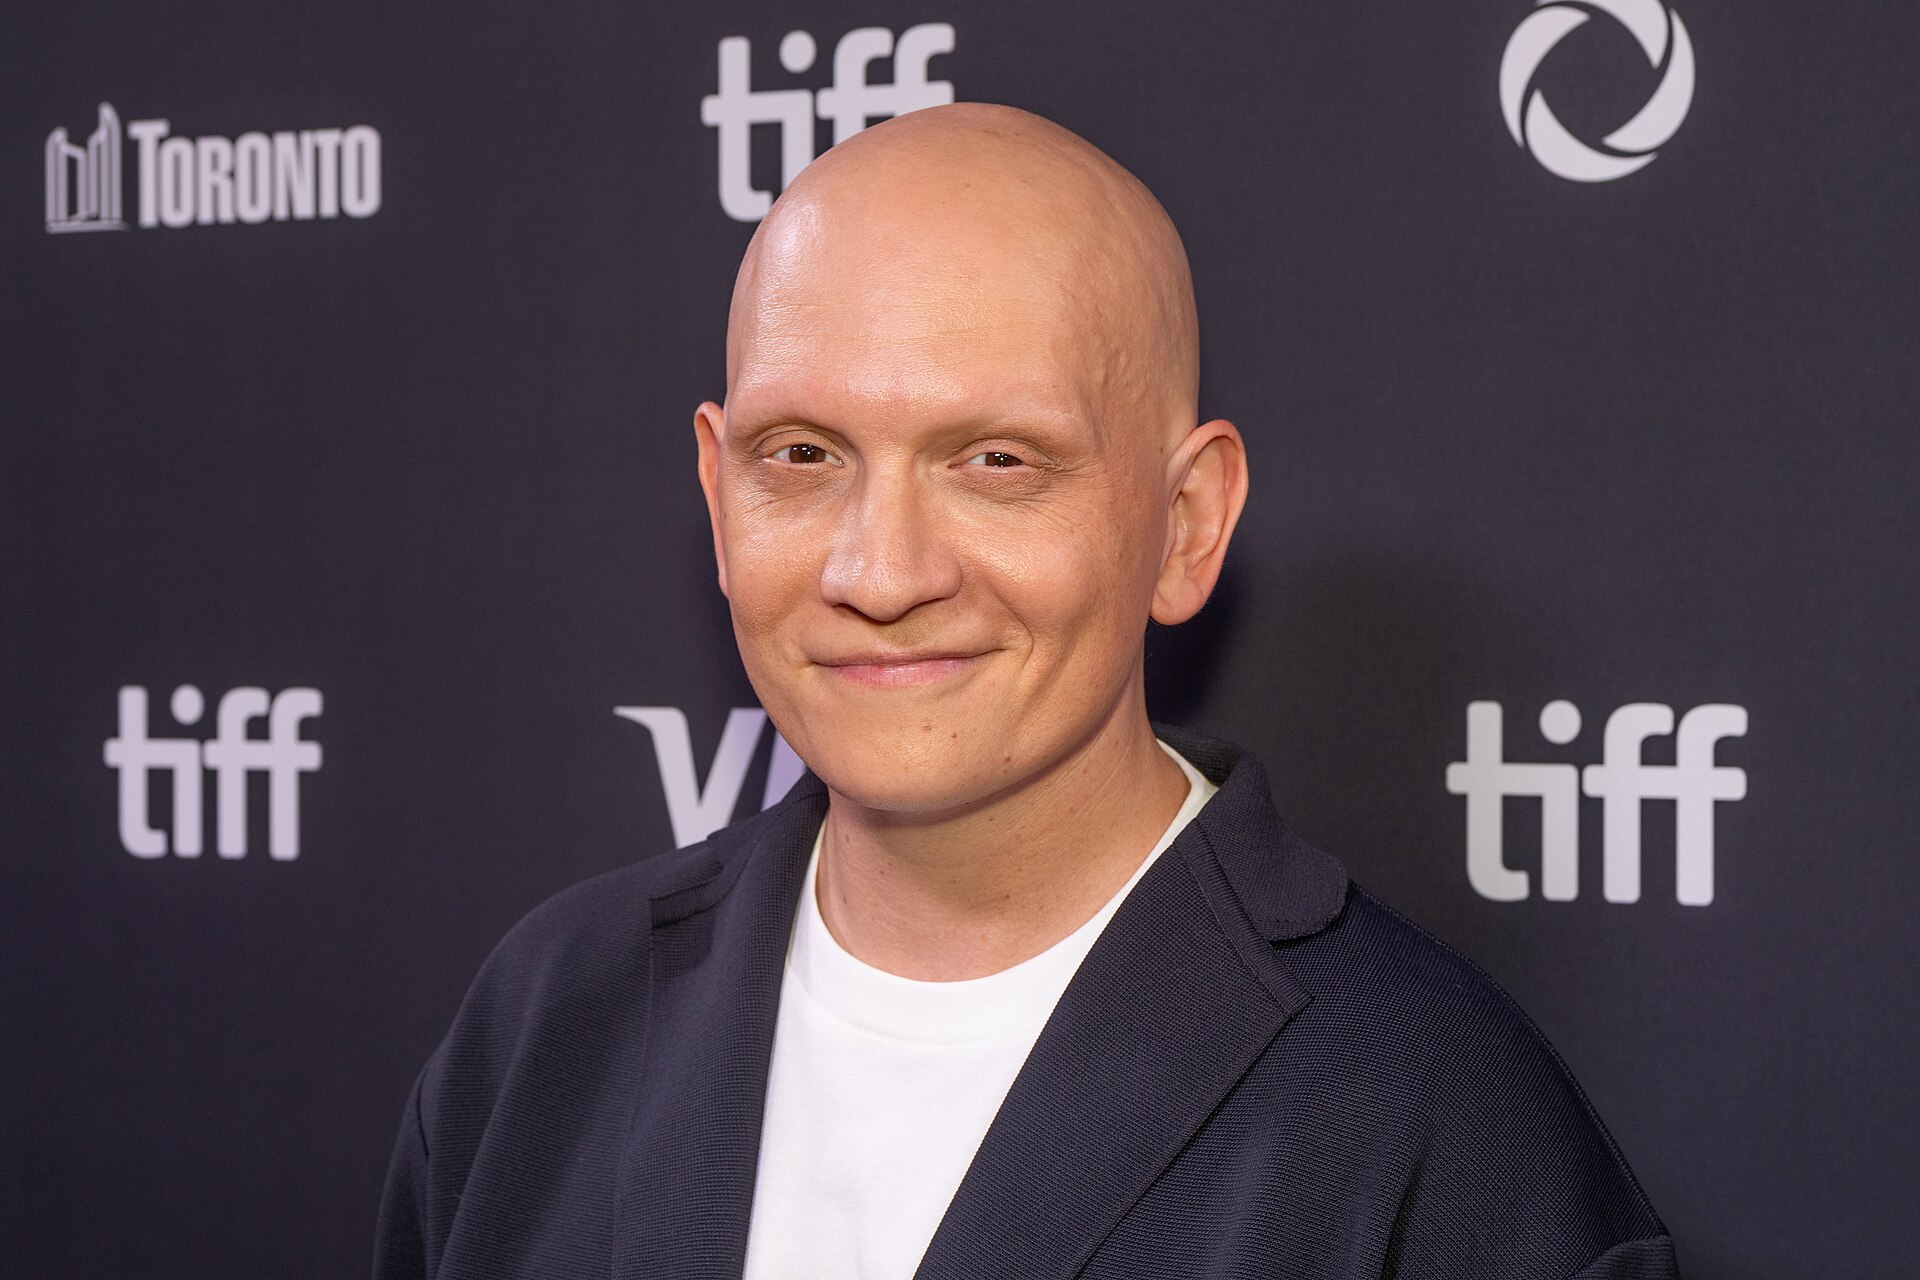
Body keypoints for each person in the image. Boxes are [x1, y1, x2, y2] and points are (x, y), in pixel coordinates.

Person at [374, 104, 1678, 1279]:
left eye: (996, 460)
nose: (878, 570)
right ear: (719, 498)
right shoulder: (547, 1017)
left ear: (1183, 524)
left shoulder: (1446, 1135)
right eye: (804, 454)